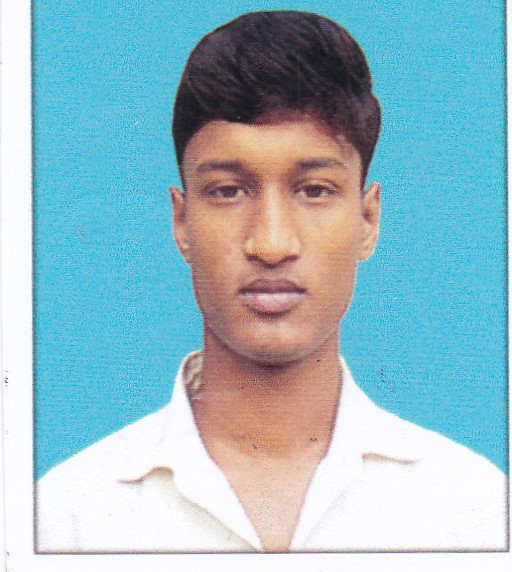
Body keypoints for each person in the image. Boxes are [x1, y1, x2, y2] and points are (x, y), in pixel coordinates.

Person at [37, 11, 507, 553]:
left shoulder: (476, 513)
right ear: (182, 222)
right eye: (228, 191)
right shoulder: (64, 519)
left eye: (315, 190)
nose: (271, 243)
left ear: (367, 220)